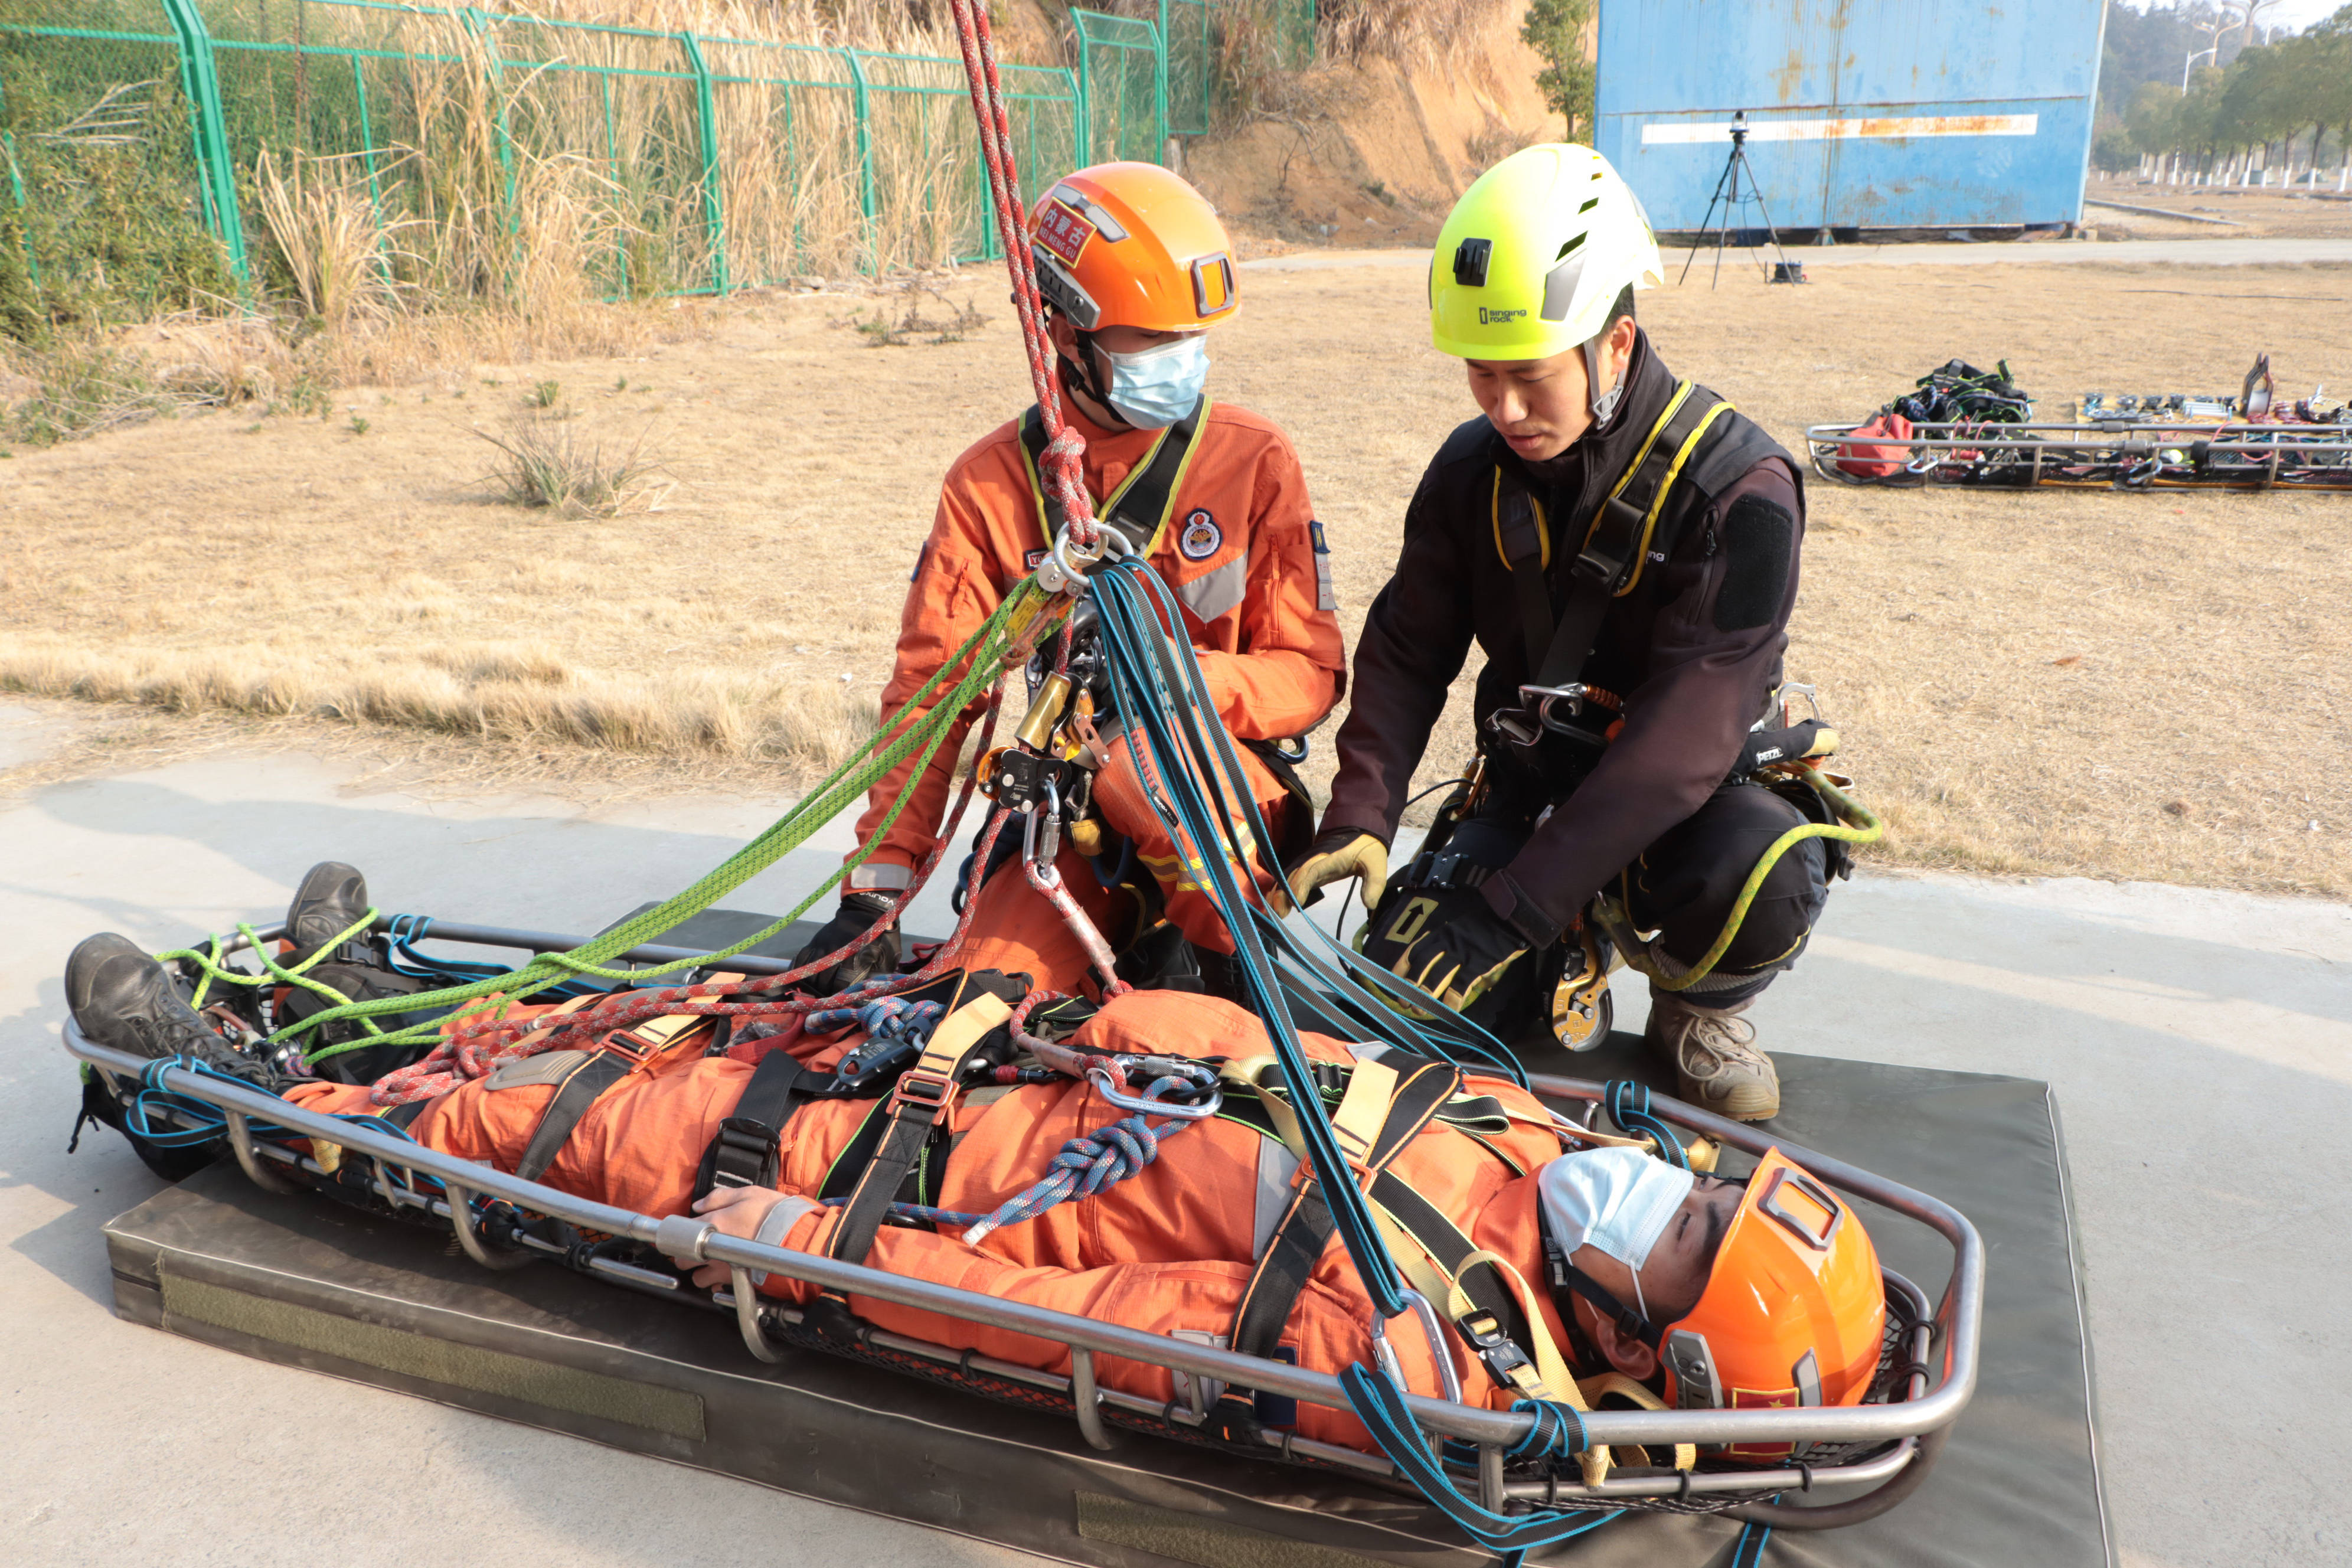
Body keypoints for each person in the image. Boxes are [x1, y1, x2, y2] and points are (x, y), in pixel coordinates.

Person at [64, 914, 1887, 1466]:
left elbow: (1072, 1326)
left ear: (1656, 1358)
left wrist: (791, 1248)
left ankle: (231, 1097)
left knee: (585, 1129)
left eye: (1680, 1242)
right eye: (1700, 1190)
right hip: (1006, 1051)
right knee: (678, 1009)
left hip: (918, 1172)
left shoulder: (1446, 1355)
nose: (1655, 1188)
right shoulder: (1543, 1147)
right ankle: (373, 993)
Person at [1287, 146, 1846, 1122]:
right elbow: (1409, 648)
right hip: (1532, 787)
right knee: (1405, 995)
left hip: (1682, 812)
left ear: (1616, 345)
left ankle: (1695, 1007)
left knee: (1761, 872)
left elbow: (1682, 747)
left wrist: (1516, 904)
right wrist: (1363, 813)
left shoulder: (1740, 494)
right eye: (1479, 374)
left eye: (1530, 377)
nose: (1502, 408)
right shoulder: (1472, 471)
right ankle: (1562, 954)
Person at [792, 161, 1345, 1002]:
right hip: (1073, 813)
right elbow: (932, 696)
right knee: (985, 999)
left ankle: (1243, 977)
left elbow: (1309, 673)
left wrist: (1189, 682)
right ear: (1062, 329)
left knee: (1135, 762)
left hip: (1217, 804)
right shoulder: (994, 487)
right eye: (1154, 341)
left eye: (1193, 341)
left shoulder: (1251, 462)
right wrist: (878, 888)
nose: (1183, 363)